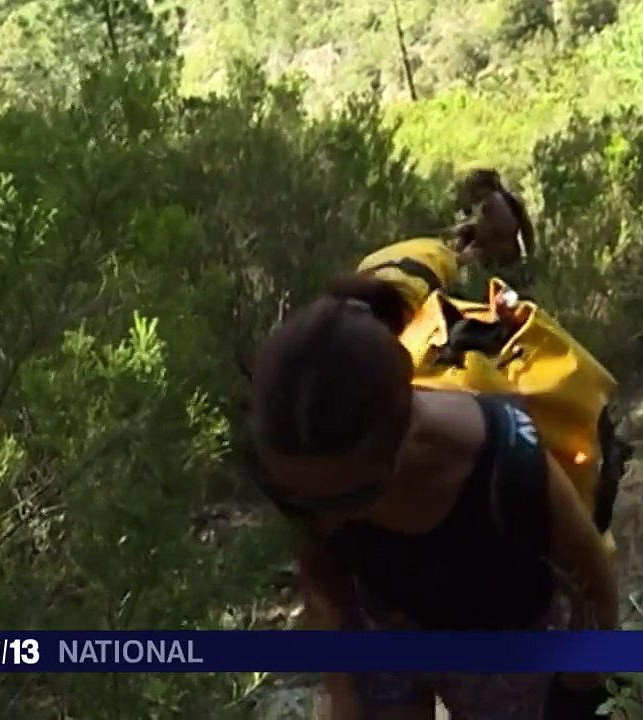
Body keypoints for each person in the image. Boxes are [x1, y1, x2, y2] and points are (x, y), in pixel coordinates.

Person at [250, 275, 619, 720]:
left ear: (404, 435)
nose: (326, 523)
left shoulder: (506, 460)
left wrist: (579, 693)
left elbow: (593, 583)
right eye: (302, 503)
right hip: (388, 624)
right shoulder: (303, 460)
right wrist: (343, 686)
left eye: (352, 498)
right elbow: (325, 584)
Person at [453, 169, 537, 295]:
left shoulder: (494, 203)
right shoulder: (508, 202)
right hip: (506, 266)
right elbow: (526, 232)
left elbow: (489, 234)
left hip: (499, 269)